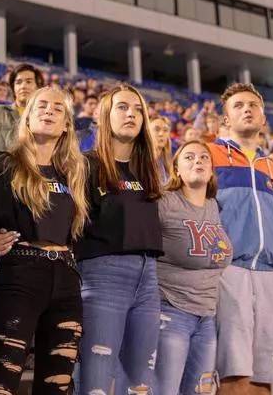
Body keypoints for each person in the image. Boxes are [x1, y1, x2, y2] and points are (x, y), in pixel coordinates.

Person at [0, 86, 88, 395]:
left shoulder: (74, 174)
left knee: (57, 387)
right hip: (19, 276)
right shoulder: (0, 165)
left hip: (66, 281)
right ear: (27, 117)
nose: (49, 111)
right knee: (1, 383)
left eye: (57, 108)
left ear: (66, 126)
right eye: (41, 106)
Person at [75, 84, 163, 395]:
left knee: (139, 383)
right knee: (96, 382)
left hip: (149, 278)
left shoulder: (150, 170)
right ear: (104, 116)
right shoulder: (85, 164)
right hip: (102, 278)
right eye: (123, 107)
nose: (132, 114)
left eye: (138, 109)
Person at [206, 83, 273, 395]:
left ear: (264, 118)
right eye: (239, 105)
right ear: (225, 118)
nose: (247, 109)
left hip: (270, 274)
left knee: (264, 375)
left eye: (253, 105)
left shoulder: (272, 166)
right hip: (230, 271)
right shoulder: (209, 155)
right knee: (234, 372)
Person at [156, 140, 233, 395]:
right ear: (176, 168)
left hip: (207, 316)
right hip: (171, 309)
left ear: (211, 170)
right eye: (189, 157)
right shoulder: (165, 202)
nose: (197, 161)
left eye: (203, 157)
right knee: (164, 390)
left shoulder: (214, 206)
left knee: (199, 392)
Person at [152, 116, 174, 185]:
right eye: (157, 129)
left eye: (165, 130)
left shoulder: (169, 162)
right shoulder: (138, 161)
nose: (161, 134)